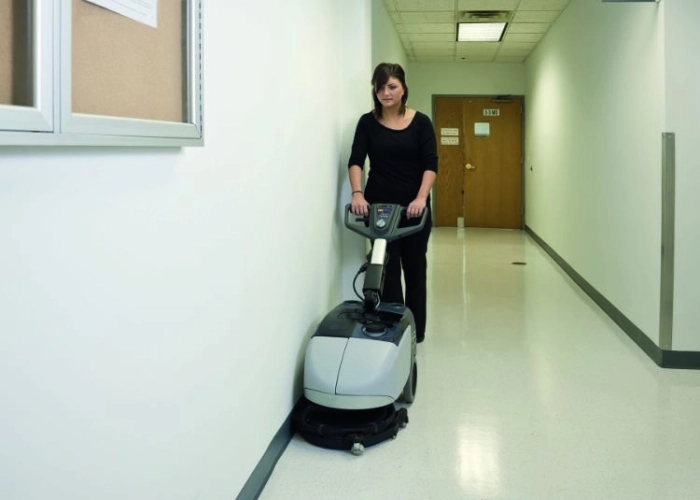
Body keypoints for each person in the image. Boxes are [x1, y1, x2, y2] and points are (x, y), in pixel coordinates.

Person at [347, 62, 438, 343]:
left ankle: (415, 331)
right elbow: (356, 160)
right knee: (386, 269)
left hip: (413, 211)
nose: (385, 93)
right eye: (380, 87)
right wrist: (357, 193)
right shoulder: (367, 123)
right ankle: (394, 328)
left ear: (403, 88)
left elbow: (430, 164)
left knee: (414, 268)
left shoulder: (421, 122)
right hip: (380, 210)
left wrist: (421, 198)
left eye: (392, 86)